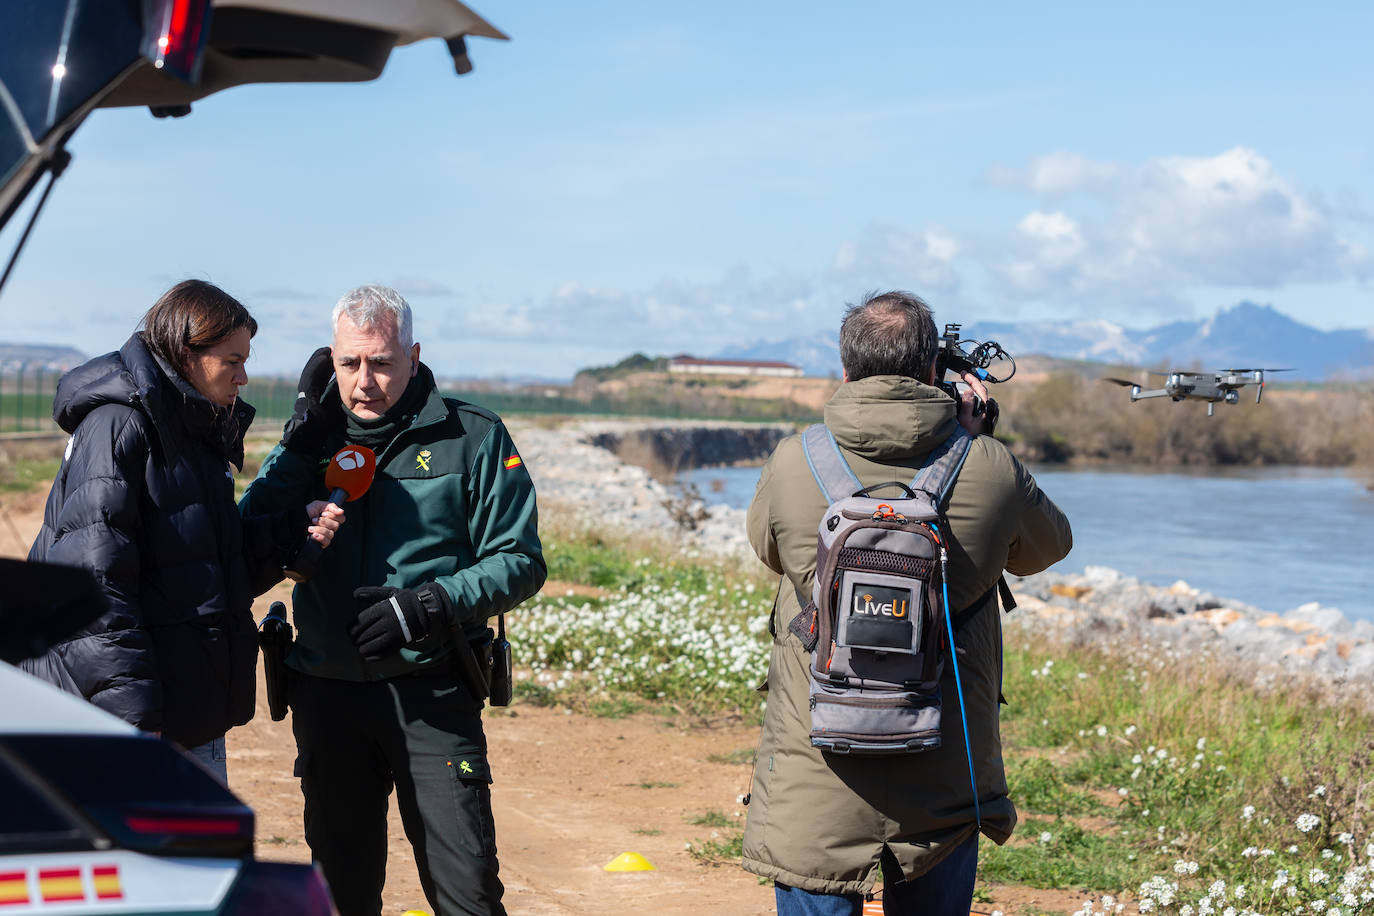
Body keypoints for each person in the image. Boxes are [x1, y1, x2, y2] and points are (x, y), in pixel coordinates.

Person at [740, 291, 1073, 915]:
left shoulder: (793, 460)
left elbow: (768, 550)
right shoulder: (989, 466)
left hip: (816, 770)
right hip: (942, 774)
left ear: (844, 372)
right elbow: (1049, 546)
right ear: (931, 373)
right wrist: (974, 443)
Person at [239, 284, 546, 916]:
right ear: (330, 358)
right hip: (327, 695)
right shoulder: (309, 440)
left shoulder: (473, 437)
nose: (365, 381)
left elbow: (520, 561)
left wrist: (430, 603)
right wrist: (297, 478)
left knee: (468, 895)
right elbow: (242, 544)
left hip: (432, 694)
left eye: (381, 362)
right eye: (349, 363)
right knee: (341, 896)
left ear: (413, 355)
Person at [23, 279, 341, 782]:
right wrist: (132, 721)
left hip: (182, 712)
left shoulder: (190, 433)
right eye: (231, 361)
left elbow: (199, 568)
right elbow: (93, 589)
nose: (243, 377)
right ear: (185, 352)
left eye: (246, 360)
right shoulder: (119, 428)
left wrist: (288, 531)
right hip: (134, 724)